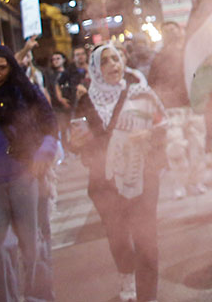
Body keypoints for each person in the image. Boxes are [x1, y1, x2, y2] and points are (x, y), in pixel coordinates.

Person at [70, 44, 166, 302]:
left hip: (142, 176)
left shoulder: (141, 94)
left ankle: (148, 296)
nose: (113, 65)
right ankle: (127, 280)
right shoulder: (86, 99)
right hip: (106, 183)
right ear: (95, 70)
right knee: (119, 238)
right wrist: (78, 143)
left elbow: (164, 125)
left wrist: (148, 134)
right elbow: (77, 139)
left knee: (147, 242)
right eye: (105, 61)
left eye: (116, 59)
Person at [0, 44, 58, 302]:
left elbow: (50, 127)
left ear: (11, 66)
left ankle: (39, 296)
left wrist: (42, 154)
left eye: (2, 67)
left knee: (32, 244)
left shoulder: (27, 92)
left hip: (26, 176)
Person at [146, 21, 207, 199]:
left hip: (193, 107)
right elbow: (152, 85)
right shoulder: (158, 58)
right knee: (175, 148)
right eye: (167, 31)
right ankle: (180, 183)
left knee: (198, 147)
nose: (171, 33)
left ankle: (196, 181)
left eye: (174, 29)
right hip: (171, 110)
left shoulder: (191, 53)